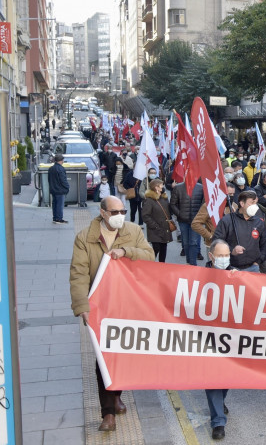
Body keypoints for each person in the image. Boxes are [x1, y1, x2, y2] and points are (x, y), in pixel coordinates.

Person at [69, 196, 155, 431]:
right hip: (101, 308)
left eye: (123, 211)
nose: (119, 215)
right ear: (103, 213)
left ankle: (116, 393)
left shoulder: (133, 231)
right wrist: (82, 307)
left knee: (123, 355)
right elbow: (78, 274)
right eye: (115, 211)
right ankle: (107, 413)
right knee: (103, 359)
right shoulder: (85, 238)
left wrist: (126, 251)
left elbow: (150, 256)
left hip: (127, 305)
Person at [204, 239, 235, 439]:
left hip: (232, 338)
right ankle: (218, 422)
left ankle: (220, 401)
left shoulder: (237, 275)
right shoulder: (198, 278)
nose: (224, 259)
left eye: (227, 255)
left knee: (226, 376)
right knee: (213, 377)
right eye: (220, 255)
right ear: (211, 256)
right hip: (207, 338)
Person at [212, 190, 266, 272]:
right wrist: (232, 250)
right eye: (251, 203)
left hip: (253, 268)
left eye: (255, 203)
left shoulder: (259, 222)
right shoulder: (227, 221)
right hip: (231, 268)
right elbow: (217, 242)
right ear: (242, 204)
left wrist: (258, 261)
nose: (255, 206)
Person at [193, 184, 238, 254]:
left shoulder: (234, 206)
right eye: (229, 194)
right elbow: (195, 224)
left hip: (230, 245)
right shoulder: (209, 206)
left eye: (233, 194)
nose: (231, 196)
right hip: (214, 245)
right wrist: (210, 236)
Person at [171, 181, 204, 264]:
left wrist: (199, 216)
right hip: (183, 221)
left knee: (193, 242)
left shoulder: (201, 187)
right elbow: (172, 204)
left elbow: (204, 204)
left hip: (196, 221)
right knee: (185, 243)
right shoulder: (178, 187)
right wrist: (180, 214)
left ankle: (192, 264)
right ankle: (188, 262)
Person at [141, 178, 173, 262]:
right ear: (156, 187)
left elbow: (169, 211)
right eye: (161, 185)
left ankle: (162, 266)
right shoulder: (149, 200)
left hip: (165, 228)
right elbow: (145, 215)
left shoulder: (164, 198)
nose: (163, 186)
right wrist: (154, 226)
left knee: (163, 248)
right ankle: (150, 266)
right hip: (155, 230)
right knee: (156, 249)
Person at [48, 154, 69, 224]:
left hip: (53, 189)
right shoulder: (61, 169)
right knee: (60, 204)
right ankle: (59, 218)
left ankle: (55, 218)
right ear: (61, 160)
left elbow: (49, 179)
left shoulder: (51, 169)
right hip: (60, 190)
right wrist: (67, 187)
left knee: (55, 204)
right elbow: (63, 180)